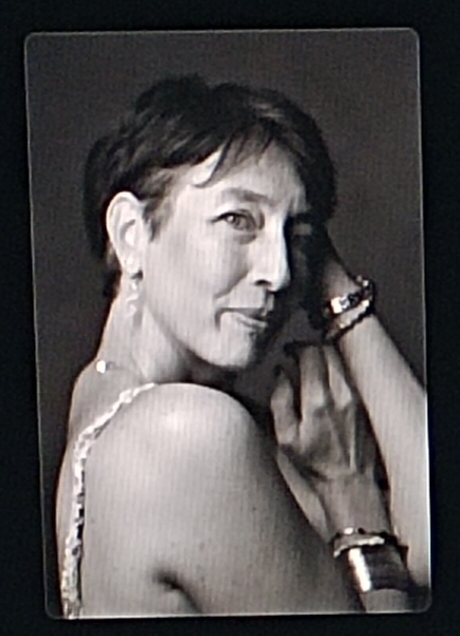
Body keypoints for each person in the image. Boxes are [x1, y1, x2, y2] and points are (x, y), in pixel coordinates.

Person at [55, 76, 430, 618]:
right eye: (237, 220)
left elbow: (432, 545)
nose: (280, 273)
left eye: (298, 236)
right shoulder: (184, 435)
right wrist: (353, 499)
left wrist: (335, 290)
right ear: (131, 233)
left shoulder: (109, 398)